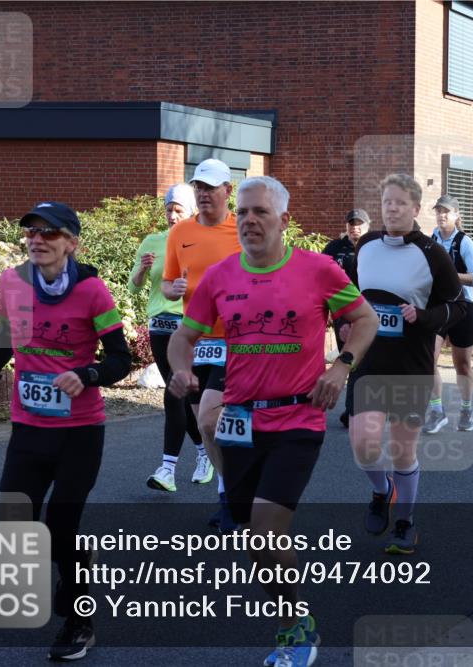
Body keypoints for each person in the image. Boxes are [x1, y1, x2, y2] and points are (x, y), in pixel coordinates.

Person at [167, 176, 378, 667]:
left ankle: (295, 629)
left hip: (298, 417)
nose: (248, 220)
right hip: (240, 420)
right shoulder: (221, 276)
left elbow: (364, 319)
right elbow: (185, 335)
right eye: (242, 212)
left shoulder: (319, 269)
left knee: (264, 529)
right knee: (254, 542)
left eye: (260, 212)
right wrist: (181, 369)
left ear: (284, 220)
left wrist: (340, 366)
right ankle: (294, 615)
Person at [0, 202, 131, 660]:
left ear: (72, 243)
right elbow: (4, 335)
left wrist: (88, 373)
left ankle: (79, 623)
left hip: (80, 431)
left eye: (50, 233)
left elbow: (120, 358)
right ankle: (76, 562)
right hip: (28, 424)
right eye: (32, 233)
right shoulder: (14, 282)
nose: (37, 240)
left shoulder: (92, 291)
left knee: (61, 527)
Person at [347, 174, 466, 556]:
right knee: (363, 444)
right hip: (368, 360)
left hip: (409, 364)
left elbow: (458, 306)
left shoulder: (432, 253)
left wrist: (424, 317)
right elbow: (347, 294)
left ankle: (404, 521)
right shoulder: (365, 246)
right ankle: (381, 493)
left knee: (401, 450)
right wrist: (343, 320)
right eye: (386, 202)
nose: (392, 209)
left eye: (400, 203)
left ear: (415, 209)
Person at [161, 159, 242, 529]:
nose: (204, 193)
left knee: (211, 416)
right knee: (207, 426)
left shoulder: (242, 229)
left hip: (235, 340)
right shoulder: (180, 233)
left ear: (228, 190)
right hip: (195, 340)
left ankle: (231, 498)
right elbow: (167, 282)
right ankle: (229, 492)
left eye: (211, 187)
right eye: (199, 187)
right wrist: (172, 288)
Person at [129, 184, 207, 492]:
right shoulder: (153, 241)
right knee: (184, 396)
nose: (172, 215)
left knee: (173, 393)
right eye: (169, 209)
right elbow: (134, 286)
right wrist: (142, 270)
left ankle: (167, 469)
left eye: (179, 210)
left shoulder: (201, 242)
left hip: (186, 327)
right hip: (159, 327)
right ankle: (205, 453)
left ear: (191, 213)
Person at [423, 194, 473, 433]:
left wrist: (451, 275)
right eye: (438, 211)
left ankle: (467, 408)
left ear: (456, 215)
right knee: (428, 358)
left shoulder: (464, 242)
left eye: (446, 211)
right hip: (438, 307)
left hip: (462, 307)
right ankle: (437, 411)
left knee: (462, 364)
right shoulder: (431, 239)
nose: (441, 215)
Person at [322, 209, 368, 428]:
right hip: (342, 313)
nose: (354, 227)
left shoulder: (373, 248)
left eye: (359, 224)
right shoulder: (335, 248)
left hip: (367, 313)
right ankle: (353, 410)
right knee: (350, 360)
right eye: (351, 223)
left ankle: (355, 410)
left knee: (359, 361)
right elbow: (317, 276)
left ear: (367, 226)